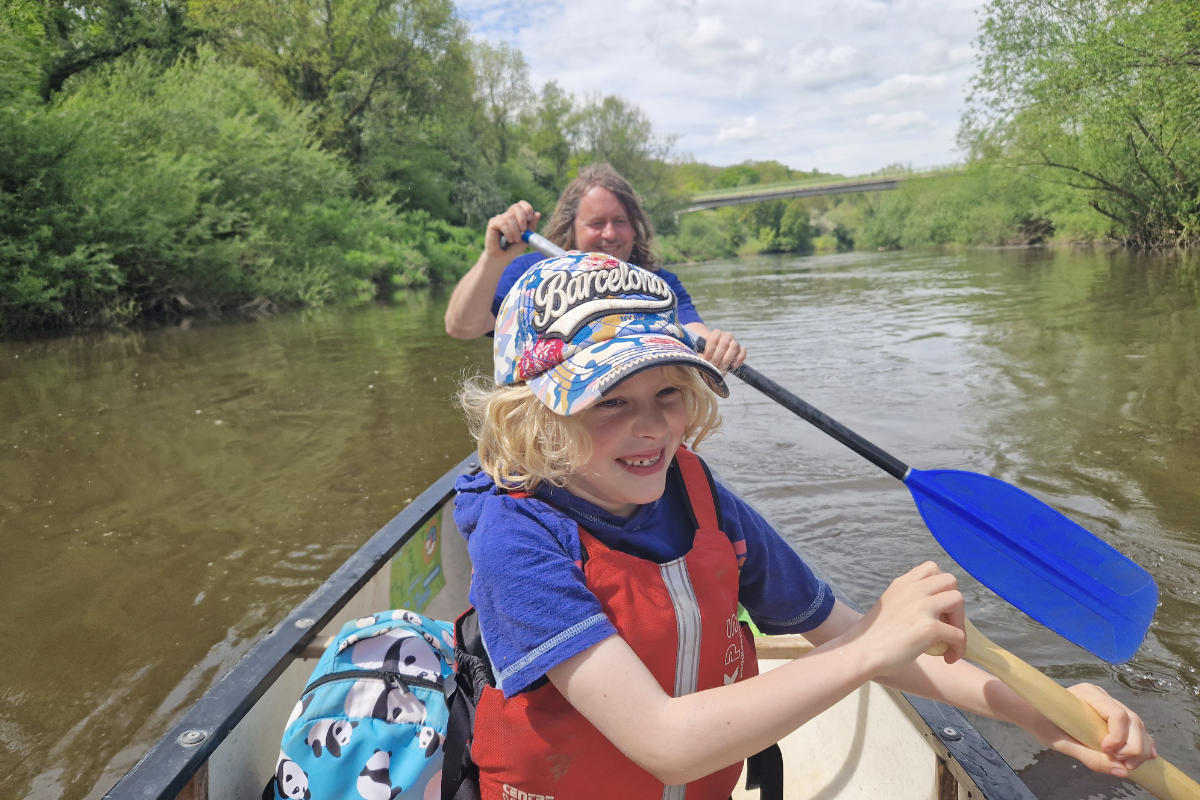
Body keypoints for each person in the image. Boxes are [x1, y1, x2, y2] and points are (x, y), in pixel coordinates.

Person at [452, 251, 1157, 798]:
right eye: (608, 401)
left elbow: (844, 629)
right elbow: (666, 741)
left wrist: (1032, 709)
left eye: (669, 392)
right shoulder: (519, 538)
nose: (652, 427)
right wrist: (870, 650)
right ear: (535, 419)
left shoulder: (698, 498)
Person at [443, 163, 746, 372]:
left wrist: (717, 348)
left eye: (620, 222)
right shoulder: (533, 274)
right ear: (571, 228)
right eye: (596, 223)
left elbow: (697, 338)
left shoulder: (658, 284)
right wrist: (492, 259)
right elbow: (462, 326)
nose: (610, 234)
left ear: (634, 227)